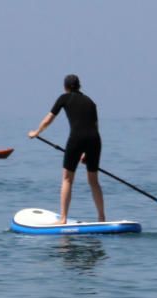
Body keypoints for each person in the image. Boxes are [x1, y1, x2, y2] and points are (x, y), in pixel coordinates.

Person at [28, 74, 105, 224]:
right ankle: (102, 217)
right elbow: (95, 127)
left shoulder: (64, 98)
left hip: (77, 139)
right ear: (79, 86)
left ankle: (63, 218)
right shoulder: (90, 102)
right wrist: (86, 153)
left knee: (67, 179)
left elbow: (48, 119)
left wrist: (36, 132)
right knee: (94, 181)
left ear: (66, 87)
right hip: (95, 140)